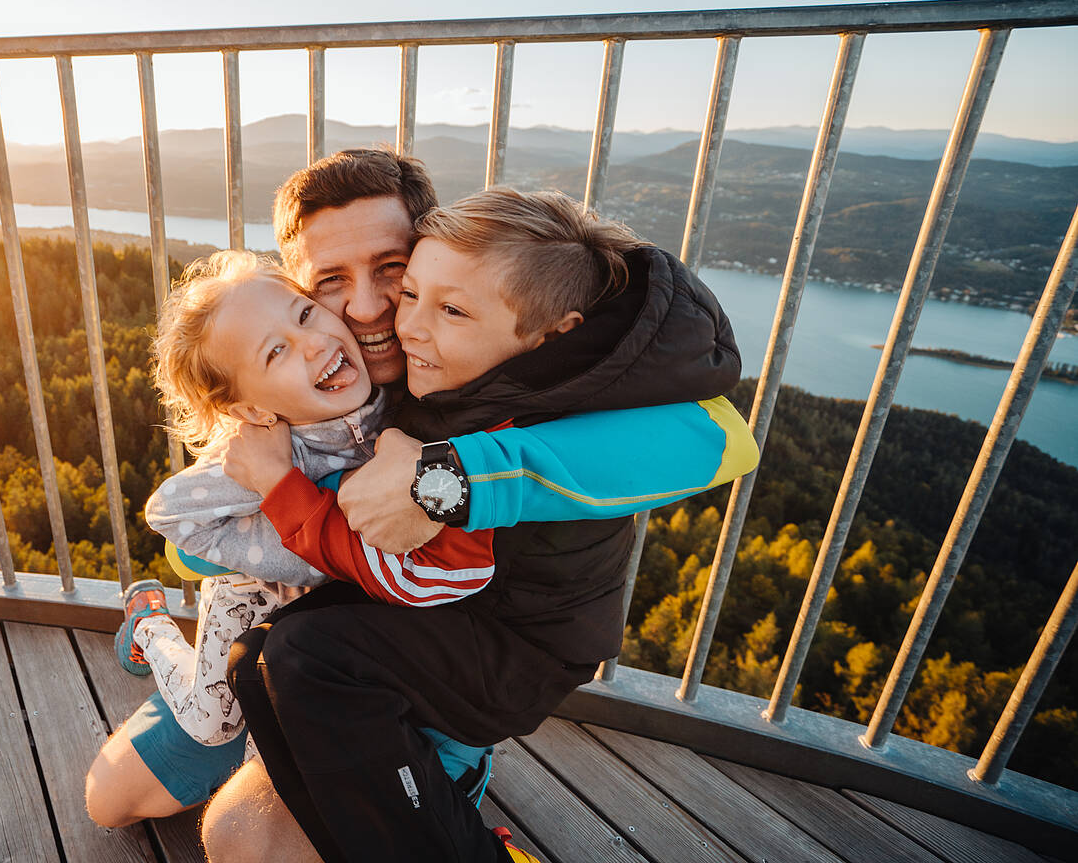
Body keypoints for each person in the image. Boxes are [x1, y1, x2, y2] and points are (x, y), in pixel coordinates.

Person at [84, 150, 753, 855]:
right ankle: (250, 721)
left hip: (421, 670)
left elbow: (722, 440)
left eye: (392, 271)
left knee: (243, 840)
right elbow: (190, 548)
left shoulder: (477, 354)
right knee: (110, 799)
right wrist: (257, 480)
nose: (371, 309)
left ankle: (440, 789)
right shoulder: (312, 376)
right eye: (331, 283)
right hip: (302, 644)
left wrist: (448, 476)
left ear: (433, 255)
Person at [108, 249, 501, 813]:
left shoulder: (400, 406)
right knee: (218, 725)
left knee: (282, 747)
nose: (313, 343)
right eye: (276, 352)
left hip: (320, 630)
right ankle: (150, 627)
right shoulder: (269, 449)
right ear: (252, 409)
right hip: (249, 602)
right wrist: (296, 540)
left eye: (303, 315)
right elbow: (169, 512)